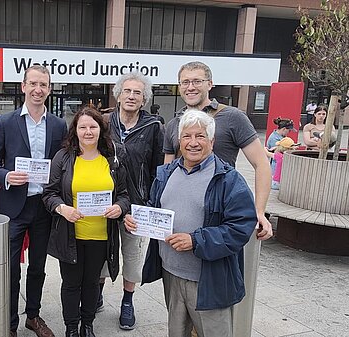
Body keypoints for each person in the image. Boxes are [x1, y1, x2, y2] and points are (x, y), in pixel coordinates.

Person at [126, 110, 257, 337]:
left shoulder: (227, 179)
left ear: (212, 141)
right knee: (177, 332)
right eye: (187, 136)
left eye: (200, 136)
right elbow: (156, 207)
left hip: (208, 279)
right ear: (179, 141)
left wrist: (196, 240)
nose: (193, 143)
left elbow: (241, 227)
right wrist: (138, 218)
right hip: (171, 273)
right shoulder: (166, 173)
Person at [0, 64, 68, 337]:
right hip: (13, 207)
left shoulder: (58, 124)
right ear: (23, 87)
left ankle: (33, 316)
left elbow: (63, 163)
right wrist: (7, 175)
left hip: (43, 206)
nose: (38, 89)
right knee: (10, 268)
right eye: (32, 83)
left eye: (43, 84)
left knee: (38, 267)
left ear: (49, 88)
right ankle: (9, 324)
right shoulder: (6, 122)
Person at [42, 106, 130, 337]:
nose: (88, 132)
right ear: (76, 131)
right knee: (71, 284)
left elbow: (124, 194)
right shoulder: (63, 157)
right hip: (71, 234)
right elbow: (49, 193)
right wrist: (62, 209)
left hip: (101, 236)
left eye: (93, 126)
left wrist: (119, 207)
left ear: (101, 130)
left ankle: (87, 325)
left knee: (92, 283)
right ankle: (72, 327)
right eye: (83, 127)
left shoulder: (112, 159)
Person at [163, 61, 272, 239]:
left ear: (210, 84)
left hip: (219, 210)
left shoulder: (233, 117)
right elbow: (166, 172)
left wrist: (259, 211)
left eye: (197, 81)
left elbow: (261, 164)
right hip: (182, 211)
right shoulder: (174, 124)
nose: (190, 87)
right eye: (185, 82)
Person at [104, 71, 164, 330]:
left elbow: (157, 169)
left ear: (144, 99)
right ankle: (96, 293)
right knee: (101, 252)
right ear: (118, 95)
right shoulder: (104, 122)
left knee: (132, 255)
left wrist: (150, 202)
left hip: (136, 205)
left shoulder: (153, 127)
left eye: (137, 93)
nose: (131, 96)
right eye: (127, 91)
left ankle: (127, 301)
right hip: (105, 201)